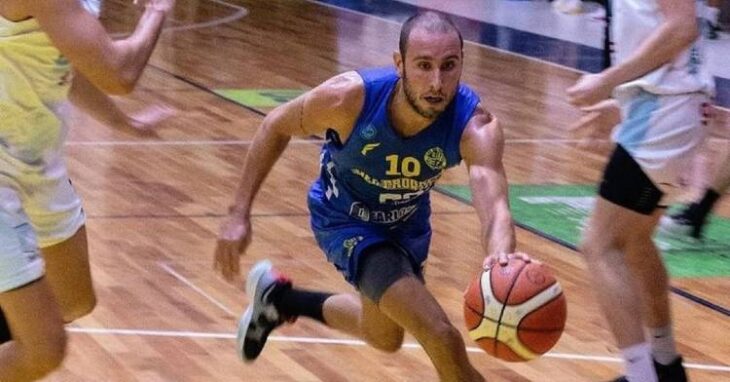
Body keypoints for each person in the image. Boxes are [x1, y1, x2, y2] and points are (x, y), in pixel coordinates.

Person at [214, 11, 528, 382]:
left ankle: (278, 301)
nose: (436, 82)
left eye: (449, 66)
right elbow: (274, 125)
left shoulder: (477, 126)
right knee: (441, 336)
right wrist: (239, 212)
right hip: (345, 220)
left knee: (385, 336)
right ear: (399, 64)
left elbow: (494, 208)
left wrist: (500, 258)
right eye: (423, 66)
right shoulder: (347, 99)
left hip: (406, 223)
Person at [0, 0, 174, 380]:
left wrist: (121, 122)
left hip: (35, 167)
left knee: (74, 299)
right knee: (42, 349)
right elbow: (120, 72)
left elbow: (64, 60)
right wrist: (157, 11)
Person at [567, 0, 713, 381]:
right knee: (635, 241)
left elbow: (682, 28)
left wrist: (608, 82)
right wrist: (619, 103)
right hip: (666, 110)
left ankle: (641, 375)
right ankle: (665, 365)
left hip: (664, 116)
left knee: (599, 244)